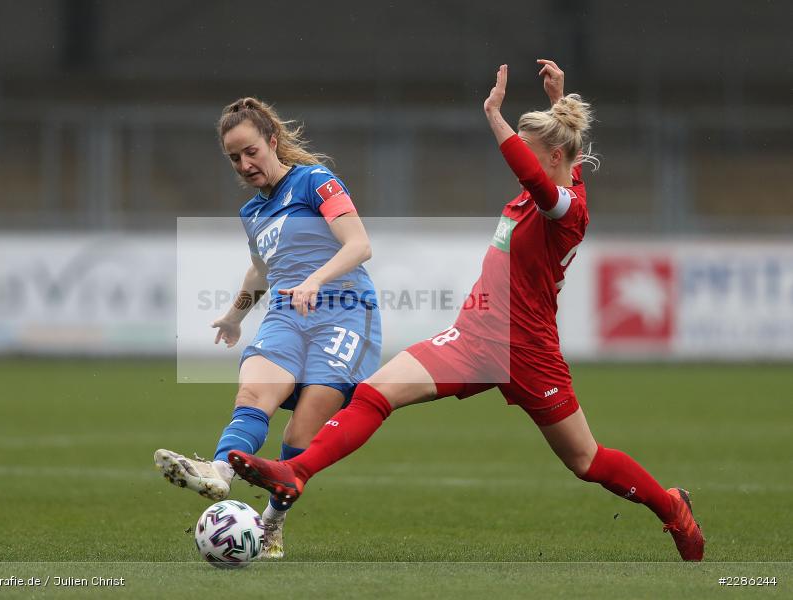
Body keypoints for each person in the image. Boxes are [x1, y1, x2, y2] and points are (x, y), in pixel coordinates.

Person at [227, 61, 705, 562]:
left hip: (528, 351)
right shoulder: (553, 180)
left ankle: (672, 508)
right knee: (374, 393)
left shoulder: (567, 206)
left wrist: (496, 117)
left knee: (586, 460)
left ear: (553, 157)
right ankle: (296, 471)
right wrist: (555, 102)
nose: (519, 163)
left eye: (529, 154)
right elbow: (558, 155)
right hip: (475, 337)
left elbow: (542, 178)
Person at [155, 97, 382, 559]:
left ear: (272, 141)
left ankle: (272, 524)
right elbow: (260, 272)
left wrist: (315, 279)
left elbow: (359, 244)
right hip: (287, 312)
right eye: (235, 158)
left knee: (301, 436)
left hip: (344, 311)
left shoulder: (316, 181)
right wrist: (235, 315)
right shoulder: (252, 214)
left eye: (251, 151)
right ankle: (220, 470)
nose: (245, 164)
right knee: (255, 393)